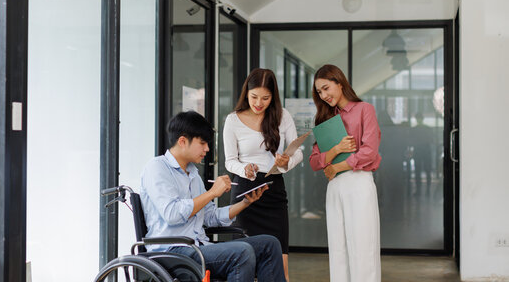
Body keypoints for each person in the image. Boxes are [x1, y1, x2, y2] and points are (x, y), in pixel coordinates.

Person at [140, 111, 286, 282]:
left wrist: (245, 203)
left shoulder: (193, 174)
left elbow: (210, 217)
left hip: (198, 247)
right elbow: (171, 214)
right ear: (182, 141)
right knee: (242, 253)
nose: (207, 149)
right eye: (202, 143)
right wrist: (211, 193)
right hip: (172, 252)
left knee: (269, 244)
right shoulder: (157, 168)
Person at [223, 68, 303, 281]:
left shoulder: (282, 116)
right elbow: (230, 161)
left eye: (265, 98)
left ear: (273, 97)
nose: (259, 103)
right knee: (245, 263)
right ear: (246, 93)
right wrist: (244, 168)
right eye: (254, 97)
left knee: (280, 265)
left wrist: (287, 162)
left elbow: (299, 152)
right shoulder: (233, 120)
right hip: (246, 194)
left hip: (274, 191)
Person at [308, 64, 381, 282]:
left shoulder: (364, 109)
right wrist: (336, 150)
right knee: (338, 250)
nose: (323, 95)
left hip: (359, 183)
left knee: (363, 248)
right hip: (335, 187)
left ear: (340, 83)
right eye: (319, 92)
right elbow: (314, 162)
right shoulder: (325, 120)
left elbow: (369, 152)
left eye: (326, 88)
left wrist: (335, 166)